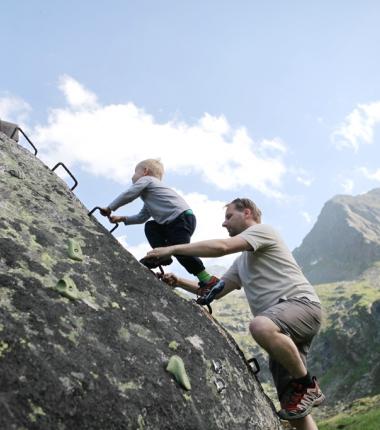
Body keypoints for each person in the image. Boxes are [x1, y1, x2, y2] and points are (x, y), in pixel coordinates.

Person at [145, 197, 324, 430]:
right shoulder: (242, 263)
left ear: (247, 213)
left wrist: (172, 248)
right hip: (282, 326)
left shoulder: (263, 231)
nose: (224, 224)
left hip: (300, 307)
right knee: (295, 408)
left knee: (260, 326)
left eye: (229, 217)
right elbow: (214, 290)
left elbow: (222, 247)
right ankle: (303, 390)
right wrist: (177, 281)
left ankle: (308, 385)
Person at [99, 158, 224, 300]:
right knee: (151, 226)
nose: (132, 176)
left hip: (180, 218)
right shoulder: (151, 195)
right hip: (174, 221)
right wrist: (123, 219)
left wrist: (110, 207)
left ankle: (208, 280)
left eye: (135, 172)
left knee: (182, 251)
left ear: (145, 172)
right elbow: (142, 217)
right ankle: (161, 256)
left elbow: (129, 194)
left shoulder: (148, 181)